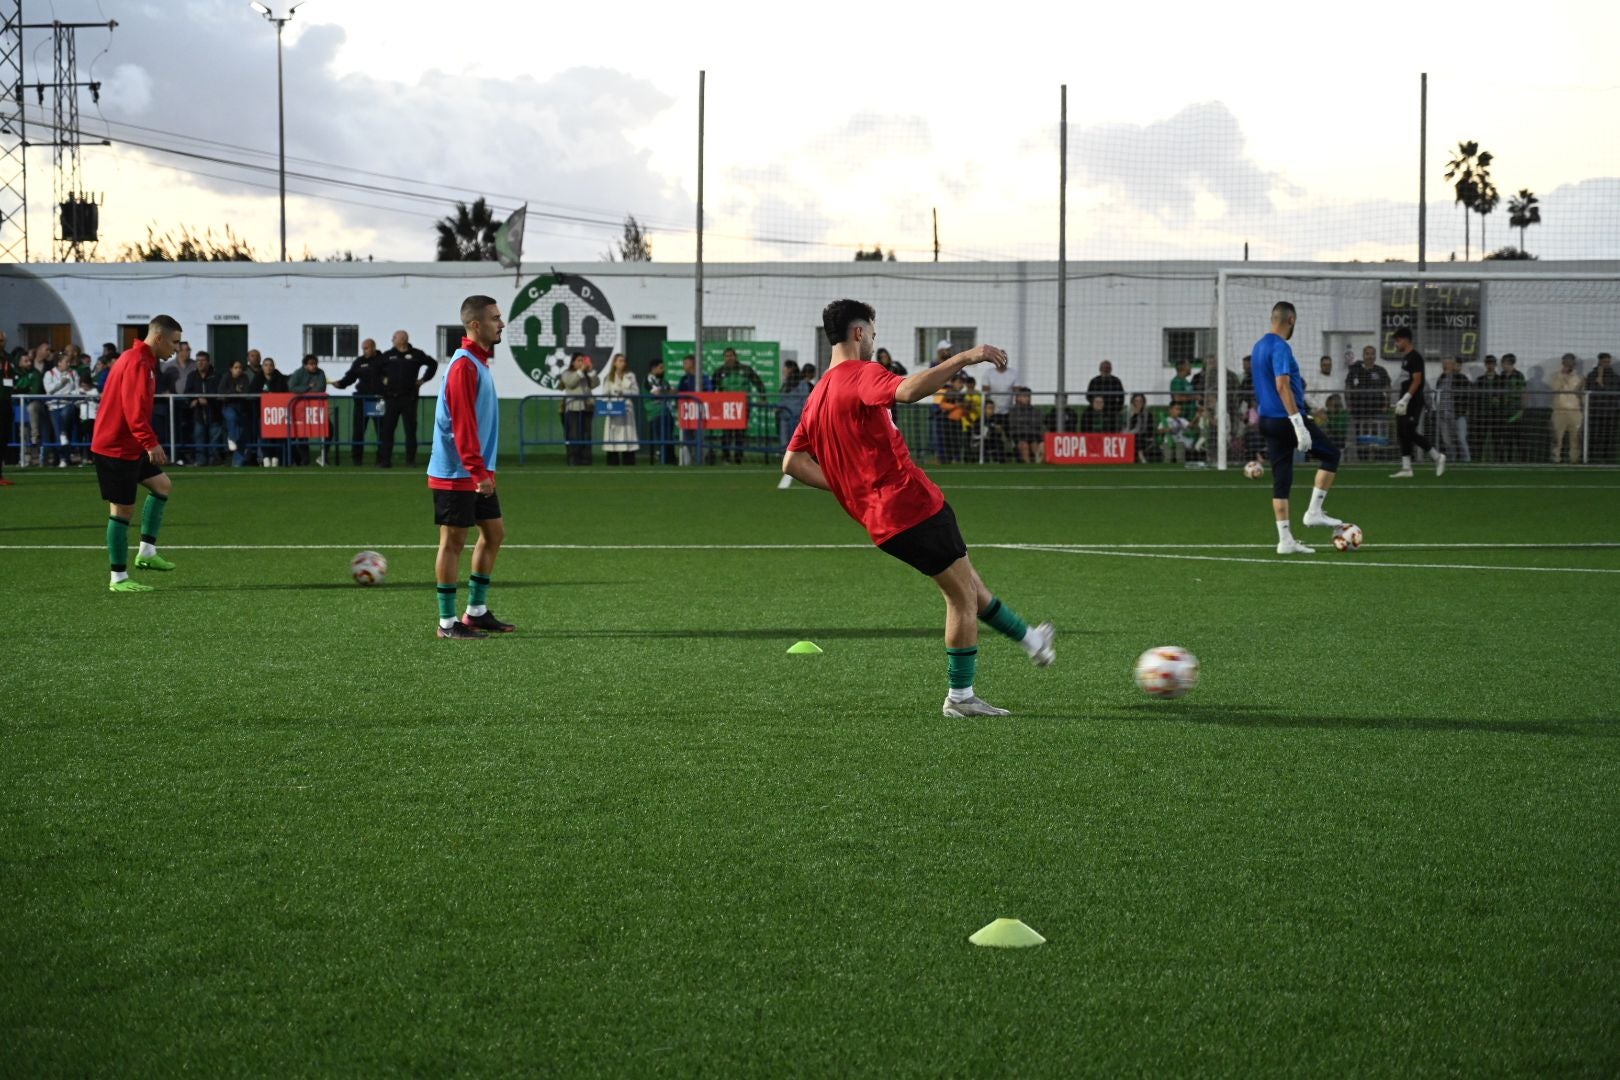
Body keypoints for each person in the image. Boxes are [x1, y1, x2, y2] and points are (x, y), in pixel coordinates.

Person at [782, 299, 1054, 717]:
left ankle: (1031, 640)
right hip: (911, 505)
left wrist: (845, 487)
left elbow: (793, 463)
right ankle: (960, 698)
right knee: (961, 596)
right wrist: (967, 356)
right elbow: (907, 391)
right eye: (873, 332)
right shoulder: (862, 373)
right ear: (859, 333)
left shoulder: (817, 395)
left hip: (882, 520)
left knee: (970, 586)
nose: (874, 340)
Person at [429, 296, 513, 639]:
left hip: (477, 471)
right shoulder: (463, 365)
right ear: (475, 325)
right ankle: (447, 624)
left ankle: (475, 612)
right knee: (452, 542)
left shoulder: (478, 363)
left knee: (494, 534)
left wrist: (483, 471)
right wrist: (477, 472)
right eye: (495, 318)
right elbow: (462, 424)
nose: (501, 323)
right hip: (457, 472)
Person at [91, 315, 184, 592]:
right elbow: (134, 412)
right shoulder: (137, 362)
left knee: (162, 486)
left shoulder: (143, 360)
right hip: (115, 447)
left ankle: (147, 553)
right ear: (158, 338)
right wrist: (150, 443)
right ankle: (118, 578)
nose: (176, 348)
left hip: (129, 445)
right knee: (122, 510)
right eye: (174, 342)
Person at [1252, 301, 1344, 555]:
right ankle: (1314, 512)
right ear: (1291, 320)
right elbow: (1282, 386)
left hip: (1267, 420)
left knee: (1282, 478)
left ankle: (1285, 540)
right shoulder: (1281, 346)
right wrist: (1298, 424)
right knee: (1331, 455)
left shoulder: (1258, 346)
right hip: (1286, 419)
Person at [1388, 327, 1444, 478]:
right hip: (1405, 400)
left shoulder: (1415, 357)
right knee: (1401, 431)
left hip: (1413, 401)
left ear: (1406, 340)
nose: (1396, 344)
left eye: (1398, 340)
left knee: (1409, 431)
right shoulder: (1406, 358)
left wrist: (1406, 399)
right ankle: (1406, 468)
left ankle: (1437, 456)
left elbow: (1417, 380)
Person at [378, 330, 438, 468]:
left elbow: (432, 364)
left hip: (409, 398)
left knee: (410, 430)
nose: (392, 340)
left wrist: (423, 379)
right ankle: (385, 460)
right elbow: (376, 369)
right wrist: (383, 379)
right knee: (387, 430)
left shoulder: (417, 354)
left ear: (402, 339)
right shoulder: (388, 355)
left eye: (394, 337)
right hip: (391, 399)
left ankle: (410, 460)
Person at [331, 338, 387, 465]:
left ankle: (382, 458)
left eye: (366, 348)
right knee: (358, 430)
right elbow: (350, 376)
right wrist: (340, 384)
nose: (364, 351)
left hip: (378, 400)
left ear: (373, 347)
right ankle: (357, 459)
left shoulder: (383, 360)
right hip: (361, 400)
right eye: (363, 348)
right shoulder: (359, 361)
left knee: (381, 430)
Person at [712, 347, 766, 463]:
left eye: (731, 356)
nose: (729, 358)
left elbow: (758, 382)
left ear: (736, 356)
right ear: (724, 358)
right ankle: (726, 457)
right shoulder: (720, 371)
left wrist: (763, 397)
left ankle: (738, 458)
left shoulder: (746, 369)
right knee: (726, 433)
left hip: (743, 406)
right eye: (727, 356)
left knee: (740, 433)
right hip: (726, 407)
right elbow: (711, 388)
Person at [1344, 345, 1391, 459]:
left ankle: (1378, 460)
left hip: (1377, 411)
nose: (1370, 356)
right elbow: (1347, 388)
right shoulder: (1355, 371)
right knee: (1362, 439)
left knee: (1377, 439)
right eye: (1367, 354)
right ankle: (1363, 460)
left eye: (1372, 354)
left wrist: (1386, 404)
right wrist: (1349, 405)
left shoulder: (1381, 370)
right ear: (1363, 355)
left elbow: (1388, 388)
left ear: (1375, 356)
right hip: (1359, 411)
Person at [287, 353, 329, 466]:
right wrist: (309, 387)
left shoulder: (320, 373)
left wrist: (304, 392)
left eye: (315, 364)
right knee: (301, 433)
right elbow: (292, 388)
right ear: (305, 365)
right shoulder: (298, 373)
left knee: (329, 428)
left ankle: (324, 456)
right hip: (300, 409)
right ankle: (305, 459)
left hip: (317, 408)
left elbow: (321, 388)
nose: (314, 366)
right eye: (311, 364)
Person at [599, 353, 640, 466]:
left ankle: (629, 461)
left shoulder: (631, 376)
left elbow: (636, 392)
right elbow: (604, 393)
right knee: (612, 436)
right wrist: (611, 394)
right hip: (613, 409)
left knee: (628, 435)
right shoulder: (608, 377)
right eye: (620, 361)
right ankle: (613, 461)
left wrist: (624, 392)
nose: (622, 363)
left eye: (624, 361)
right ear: (615, 363)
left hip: (627, 409)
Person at [183, 352, 223, 466]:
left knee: (214, 436)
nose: (200, 363)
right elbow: (187, 392)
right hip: (198, 413)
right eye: (198, 360)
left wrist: (208, 400)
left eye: (203, 360)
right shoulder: (192, 376)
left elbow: (219, 392)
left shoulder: (216, 375)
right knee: (198, 435)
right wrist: (195, 399)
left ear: (208, 362)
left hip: (214, 412)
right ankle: (200, 461)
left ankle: (214, 460)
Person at [560, 352, 598, 466]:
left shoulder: (586, 374)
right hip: (573, 409)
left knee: (586, 435)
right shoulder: (567, 373)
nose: (582, 363)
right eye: (579, 360)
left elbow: (595, 384)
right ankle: (574, 460)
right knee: (574, 435)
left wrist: (591, 371)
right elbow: (571, 383)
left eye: (583, 360)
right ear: (573, 362)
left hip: (586, 408)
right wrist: (580, 371)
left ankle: (586, 460)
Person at [43, 353, 81, 467]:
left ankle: (65, 457)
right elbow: (49, 390)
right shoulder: (49, 374)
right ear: (59, 363)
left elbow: (77, 390)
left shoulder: (73, 373)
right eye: (66, 362)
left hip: (68, 404)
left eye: (69, 362)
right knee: (59, 431)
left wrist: (69, 394)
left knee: (63, 422)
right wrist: (61, 384)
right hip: (53, 407)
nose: (69, 364)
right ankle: (64, 458)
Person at [675, 354, 713, 465]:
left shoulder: (703, 378)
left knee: (699, 437)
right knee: (686, 439)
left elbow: (710, 392)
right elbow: (679, 393)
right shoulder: (684, 379)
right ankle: (686, 463)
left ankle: (700, 461)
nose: (684, 366)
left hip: (700, 414)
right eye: (684, 363)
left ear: (693, 363)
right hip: (686, 414)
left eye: (686, 363)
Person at [218, 359, 256, 467]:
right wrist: (235, 392)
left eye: (240, 368)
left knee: (241, 436)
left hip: (242, 409)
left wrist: (235, 392)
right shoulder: (226, 377)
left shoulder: (245, 378)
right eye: (236, 368)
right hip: (228, 406)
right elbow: (221, 392)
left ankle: (237, 463)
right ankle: (231, 438)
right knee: (232, 417)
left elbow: (246, 391)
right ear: (231, 369)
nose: (238, 370)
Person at [1434, 357, 1471, 464]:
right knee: (1447, 440)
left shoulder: (1461, 378)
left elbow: (1467, 395)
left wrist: (1465, 410)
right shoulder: (1441, 378)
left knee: (1461, 438)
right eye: (1444, 363)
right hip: (1443, 414)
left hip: (1458, 414)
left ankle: (1467, 460)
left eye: (1447, 363)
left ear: (1453, 365)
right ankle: (1452, 459)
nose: (1445, 366)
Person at [1548, 353, 1585, 464]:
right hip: (1559, 411)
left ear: (1574, 363)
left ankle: (1574, 459)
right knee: (1557, 438)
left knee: (1575, 438)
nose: (1568, 364)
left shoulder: (1580, 377)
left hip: (1575, 411)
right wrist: (1562, 375)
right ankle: (1555, 459)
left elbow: (1582, 394)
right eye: (1566, 362)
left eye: (1571, 362)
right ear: (1562, 363)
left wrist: (1583, 408)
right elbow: (1555, 388)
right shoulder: (1555, 375)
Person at [14, 351, 46, 466]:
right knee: (22, 432)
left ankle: (36, 455)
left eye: (30, 361)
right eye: (25, 361)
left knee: (34, 430)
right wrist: (21, 388)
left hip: (35, 405)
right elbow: (13, 388)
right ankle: (25, 459)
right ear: (19, 363)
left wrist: (19, 388)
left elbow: (34, 391)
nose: (29, 363)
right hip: (20, 406)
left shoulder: (36, 374)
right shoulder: (14, 373)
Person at [1585, 352, 1618, 464]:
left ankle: (1609, 458)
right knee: (1596, 435)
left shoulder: (1615, 376)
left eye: (1608, 362)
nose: (1606, 364)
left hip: (1611, 412)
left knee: (1610, 436)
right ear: (1599, 361)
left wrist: (1602, 384)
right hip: (1596, 412)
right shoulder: (1591, 376)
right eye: (1604, 362)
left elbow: (1613, 392)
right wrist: (1598, 378)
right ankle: (1594, 457)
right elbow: (1591, 391)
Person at [645, 357, 677, 464]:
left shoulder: (664, 381)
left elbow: (673, 391)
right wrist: (667, 392)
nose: (663, 370)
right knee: (663, 437)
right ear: (653, 369)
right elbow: (657, 393)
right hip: (656, 413)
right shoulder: (648, 379)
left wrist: (666, 392)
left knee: (669, 437)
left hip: (667, 412)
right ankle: (664, 459)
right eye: (661, 368)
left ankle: (670, 460)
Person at [1006, 386, 1043, 463]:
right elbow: (1014, 426)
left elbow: (1037, 425)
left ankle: (1037, 465)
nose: (1027, 399)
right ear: (1018, 398)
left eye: (1028, 396)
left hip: (1033, 435)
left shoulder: (1035, 411)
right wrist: (1028, 426)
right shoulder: (1013, 411)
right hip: (1019, 436)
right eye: (1025, 396)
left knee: (1036, 445)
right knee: (1024, 445)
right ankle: (1027, 465)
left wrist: (1025, 424)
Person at [1086, 360, 1125, 429]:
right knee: (1086, 414)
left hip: (1111, 407)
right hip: (1096, 407)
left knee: (1115, 417)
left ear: (1111, 369)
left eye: (1108, 368)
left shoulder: (1116, 381)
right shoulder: (1094, 381)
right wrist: (1095, 404)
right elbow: (1088, 396)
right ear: (1100, 369)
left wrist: (1118, 408)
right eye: (1104, 368)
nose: (1106, 370)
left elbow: (1121, 397)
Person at [1124, 392, 1155, 462]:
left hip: (1144, 437)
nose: (1138, 403)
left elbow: (1149, 430)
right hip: (1129, 436)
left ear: (1144, 402)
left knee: (1138, 436)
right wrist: (1135, 415)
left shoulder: (1148, 414)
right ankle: (1140, 454)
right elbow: (1128, 428)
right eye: (1136, 401)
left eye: (1141, 401)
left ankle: (1140, 454)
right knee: (1134, 435)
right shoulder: (1127, 413)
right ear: (1133, 402)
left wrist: (1141, 416)